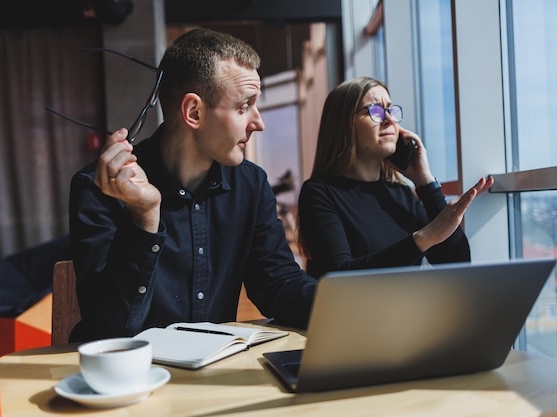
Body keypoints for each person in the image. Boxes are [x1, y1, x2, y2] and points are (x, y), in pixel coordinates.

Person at [68, 28, 317, 342]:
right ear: (194, 112)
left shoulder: (251, 184)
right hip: (131, 377)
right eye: (243, 107)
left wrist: (341, 307)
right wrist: (144, 217)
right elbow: (111, 330)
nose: (258, 123)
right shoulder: (98, 189)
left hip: (212, 373)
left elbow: (279, 284)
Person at [297, 77, 494, 279]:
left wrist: (424, 181)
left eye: (390, 110)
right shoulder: (319, 192)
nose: (389, 119)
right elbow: (339, 276)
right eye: (375, 110)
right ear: (343, 124)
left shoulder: (402, 195)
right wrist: (424, 237)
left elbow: (457, 263)